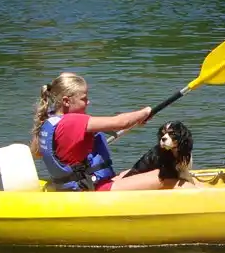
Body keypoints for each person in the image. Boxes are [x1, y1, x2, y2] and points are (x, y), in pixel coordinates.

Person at [31, 72, 175, 192]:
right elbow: (120, 123)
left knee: (137, 171)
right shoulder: (72, 121)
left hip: (80, 184)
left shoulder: (50, 120)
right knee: (163, 176)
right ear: (66, 101)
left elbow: (38, 152)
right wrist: (145, 112)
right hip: (91, 188)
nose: (88, 102)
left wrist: (136, 119)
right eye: (84, 99)